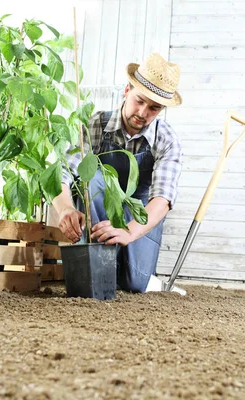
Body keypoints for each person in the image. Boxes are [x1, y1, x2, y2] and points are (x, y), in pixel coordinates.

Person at [52, 53, 186, 295]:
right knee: (93, 174)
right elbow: (61, 173)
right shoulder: (94, 125)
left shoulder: (166, 140)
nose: (143, 113)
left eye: (154, 108)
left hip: (138, 217)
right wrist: (65, 209)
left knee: (136, 283)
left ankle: (138, 276)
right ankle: (95, 264)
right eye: (139, 101)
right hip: (97, 213)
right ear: (127, 90)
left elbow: (162, 200)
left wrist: (128, 230)